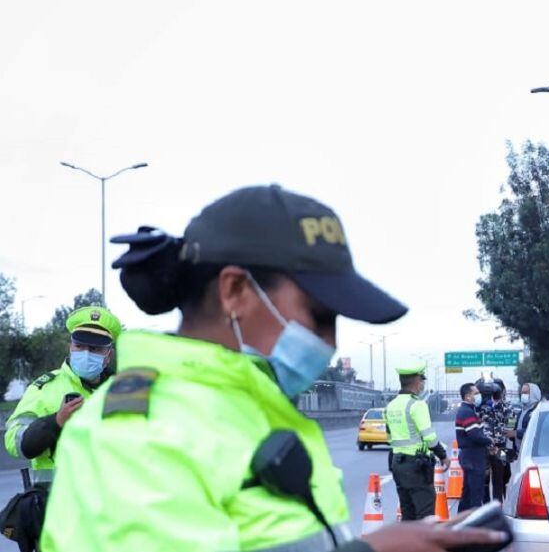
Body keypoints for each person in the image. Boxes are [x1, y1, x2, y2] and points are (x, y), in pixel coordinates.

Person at [39, 185, 504, 552]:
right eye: (318, 315)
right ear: (236, 291)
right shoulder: (136, 435)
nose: (328, 341)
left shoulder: (247, 413)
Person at [5, 306, 122, 489]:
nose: (85, 353)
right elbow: (15, 443)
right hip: (56, 505)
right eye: (80, 346)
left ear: (108, 355)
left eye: (94, 349)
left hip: (110, 505)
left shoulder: (122, 391)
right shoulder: (45, 388)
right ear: (70, 348)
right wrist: (55, 422)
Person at [387, 358, 448, 521]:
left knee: (408, 513)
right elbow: (429, 437)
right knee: (425, 515)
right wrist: (443, 456)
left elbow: (389, 436)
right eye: (422, 380)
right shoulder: (417, 405)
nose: (423, 384)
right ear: (416, 381)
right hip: (416, 467)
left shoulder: (391, 405)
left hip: (397, 465)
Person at [454, 383, 489, 513]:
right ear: (468, 396)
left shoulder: (468, 411)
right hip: (473, 458)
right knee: (475, 494)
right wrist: (490, 440)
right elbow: (475, 436)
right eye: (476, 393)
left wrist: (479, 422)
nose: (478, 396)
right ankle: (476, 525)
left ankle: (461, 521)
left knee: (468, 493)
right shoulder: (467, 411)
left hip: (469, 457)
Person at [483, 379, 512, 503]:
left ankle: (497, 507)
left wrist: (499, 404)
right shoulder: (484, 405)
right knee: (484, 480)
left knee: (500, 480)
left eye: (496, 389)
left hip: (501, 447)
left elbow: (510, 426)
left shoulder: (507, 406)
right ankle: (486, 506)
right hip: (484, 447)